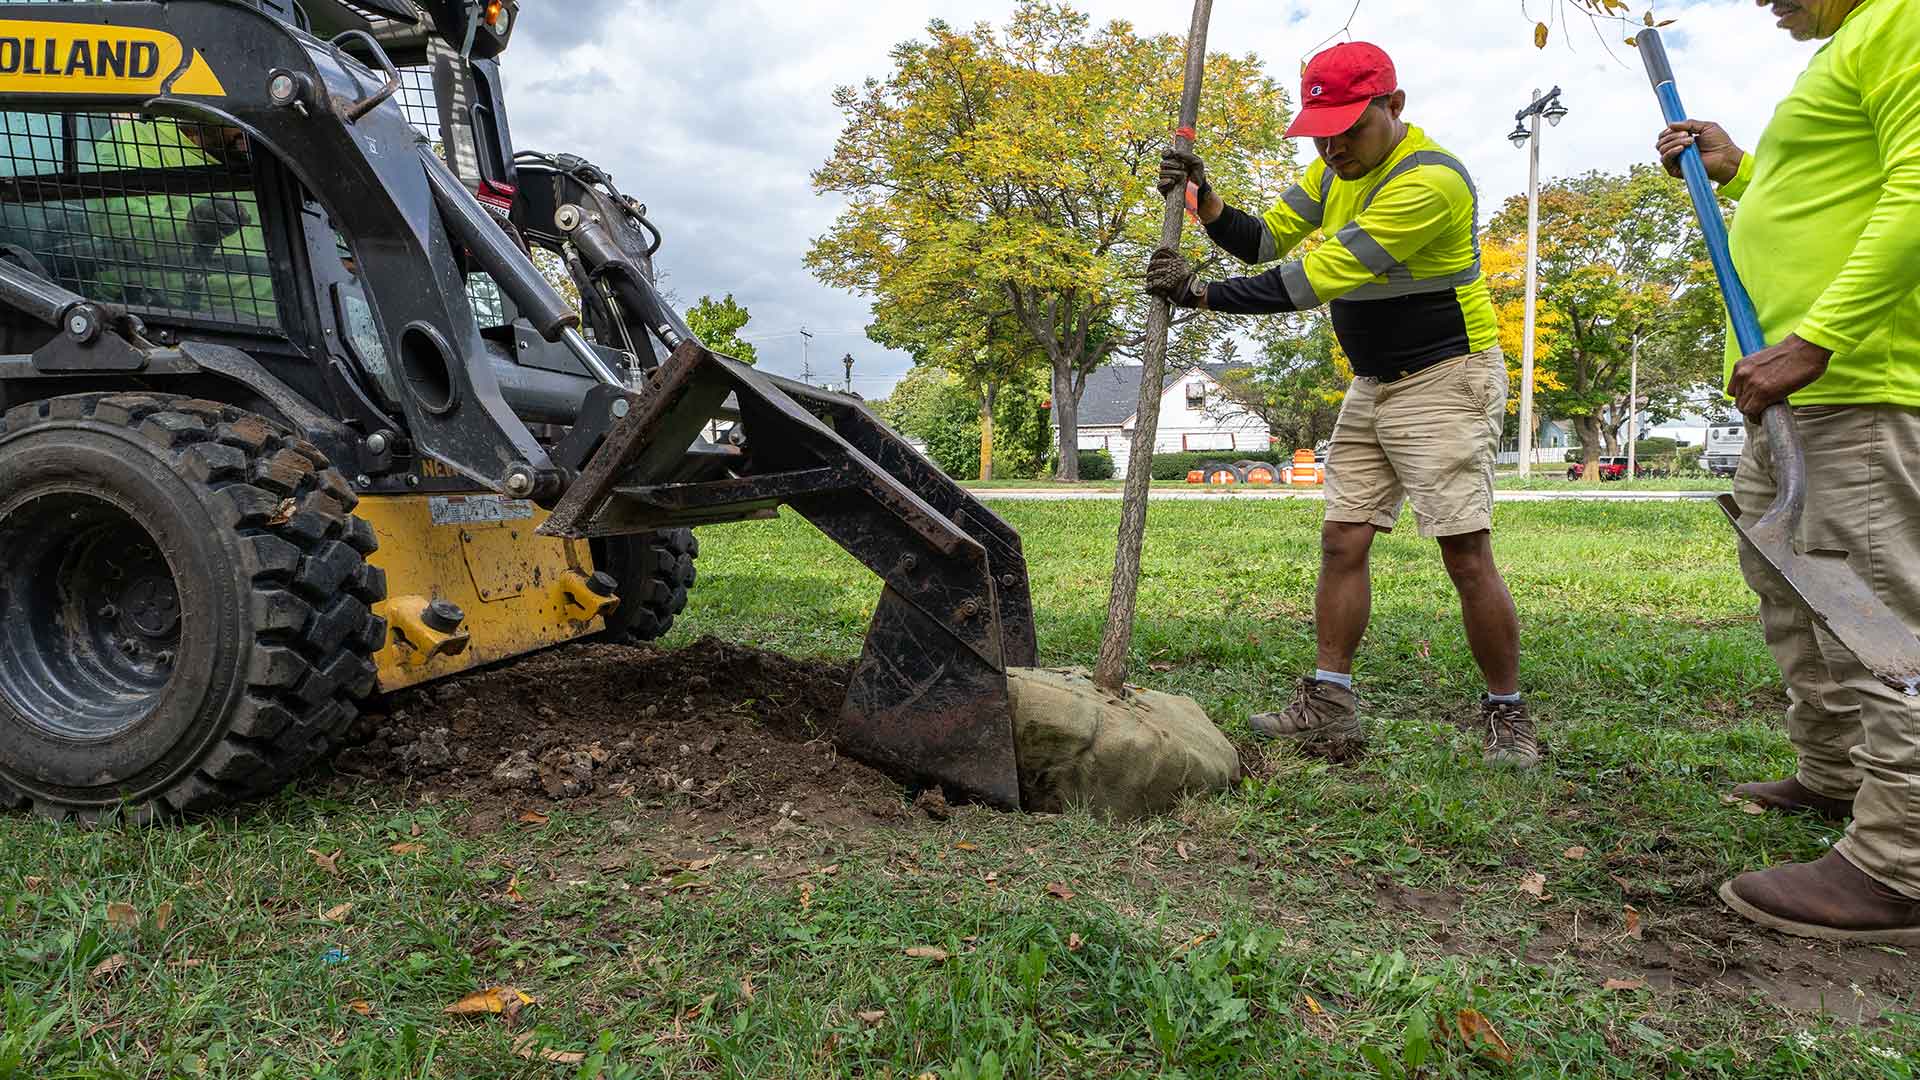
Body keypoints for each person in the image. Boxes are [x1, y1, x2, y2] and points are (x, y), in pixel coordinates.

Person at [1147, 42, 1530, 768]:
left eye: (1349, 129)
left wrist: (1197, 293)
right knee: (1342, 540)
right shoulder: (1331, 170)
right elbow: (1263, 240)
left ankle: (1507, 713)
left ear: (1395, 106)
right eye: (1321, 132)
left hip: (1447, 377)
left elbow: (1308, 280)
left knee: (1464, 551)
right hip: (1373, 381)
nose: (1333, 147)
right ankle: (1330, 700)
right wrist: (1202, 198)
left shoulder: (1431, 181)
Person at [1654, 0, 1920, 943]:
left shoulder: (1902, 19)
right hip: (1790, 391)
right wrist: (1743, 169)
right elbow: (1834, 193)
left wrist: (1818, 339)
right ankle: (1836, 771)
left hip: (1853, 381)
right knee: (1796, 596)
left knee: (1876, 616)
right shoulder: (1851, 42)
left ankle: (1900, 864)